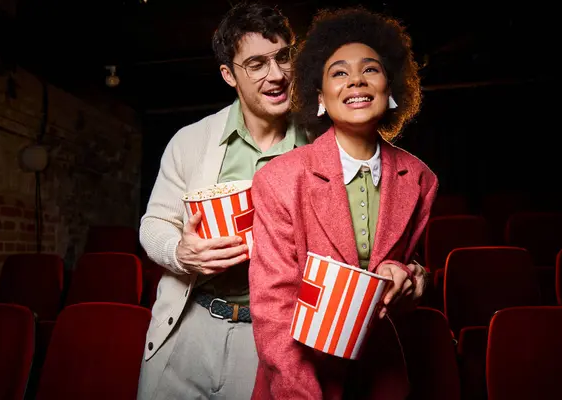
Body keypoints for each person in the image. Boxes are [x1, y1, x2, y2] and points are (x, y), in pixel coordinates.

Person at [249, 6, 438, 399]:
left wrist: (411, 278)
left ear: (391, 88)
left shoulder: (420, 178)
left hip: (383, 377)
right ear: (320, 96)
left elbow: (414, 268)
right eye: (339, 72)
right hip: (300, 377)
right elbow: (272, 309)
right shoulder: (279, 179)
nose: (355, 79)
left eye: (370, 69)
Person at [137, 2, 307, 399]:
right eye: (257, 64)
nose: (277, 74)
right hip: (190, 324)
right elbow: (153, 223)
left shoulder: (321, 144)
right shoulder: (190, 140)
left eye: (283, 57)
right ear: (229, 75)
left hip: (272, 337)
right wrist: (181, 253)